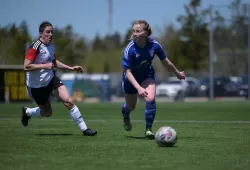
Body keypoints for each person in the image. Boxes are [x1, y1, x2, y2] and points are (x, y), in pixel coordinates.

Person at [21, 21, 97, 136]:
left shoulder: (51, 46)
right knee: (47, 112)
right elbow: (26, 66)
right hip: (36, 86)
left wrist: (71, 68)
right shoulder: (35, 46)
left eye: (52, 32)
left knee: (69, 101)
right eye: (48, 32)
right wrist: (45, 66)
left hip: (51, 81)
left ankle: (85, 129)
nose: (50, 34)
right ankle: (27, 112)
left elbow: (54, 62)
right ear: (41, 33)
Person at [121, 20, 185, 139]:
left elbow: (165, 61)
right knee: (131, 107)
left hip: (147, 75)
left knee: (150, 98)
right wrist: (139, 88)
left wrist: (177, 73)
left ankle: (148, 130)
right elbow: (127, 72)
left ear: (146, 33)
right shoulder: (129, 49)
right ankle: (125, 114)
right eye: (134, 31)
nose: (134, 33)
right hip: (131, 80)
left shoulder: (154, 45)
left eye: (138, 31)